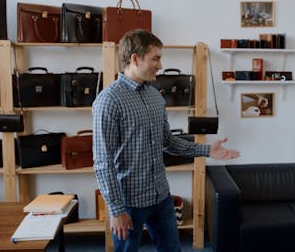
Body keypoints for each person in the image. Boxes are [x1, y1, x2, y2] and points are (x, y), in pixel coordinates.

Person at [92, 29, 240, 252]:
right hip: (128, 203)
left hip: (161, 197)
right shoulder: (108, 100)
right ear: (135, 59)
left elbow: (168, 142)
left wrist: (208, 150)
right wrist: (116, 210)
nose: (160, 65)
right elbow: (103, 163)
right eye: (155, 58)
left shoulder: (154, 95)